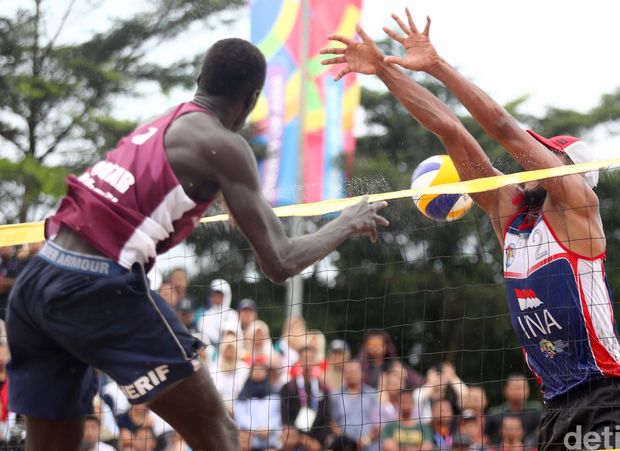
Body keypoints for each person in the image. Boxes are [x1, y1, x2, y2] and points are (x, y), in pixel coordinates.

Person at [7, 37, 389, 451]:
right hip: (96, 288)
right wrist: (347, 222)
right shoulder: (225, 146)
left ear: (199, 80)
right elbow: (280, 261)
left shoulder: (161, 124)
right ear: (252, 99)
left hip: (35, 286)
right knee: (219, 434)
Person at [321, 11, 620, 449]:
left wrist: (437, 65)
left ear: (567, 169)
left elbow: (502, 127)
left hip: (608, 397)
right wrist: (383, 69)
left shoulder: (578, 207)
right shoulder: (510, 215)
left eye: (545, 153)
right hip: (556, 405)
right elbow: (450, 130)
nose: (530, 157)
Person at [280, 346, 332, 451]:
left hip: (316, 442)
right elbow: (286, 417)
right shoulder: (289, 387)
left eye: (310, 358)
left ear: (315, 361)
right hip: (294, 440)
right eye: (304, 358)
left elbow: (326, 419)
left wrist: (316, 441)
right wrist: (300, 438)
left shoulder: (323, 388)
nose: (307, 362)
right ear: (299, 361)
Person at [329, 359, 380, 451]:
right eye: (348, 371)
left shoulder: (373, 395)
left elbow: (379, 424)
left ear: (362, 373)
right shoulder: (335, 395)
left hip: (370, 446)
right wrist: (345, 442)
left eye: (355, 371)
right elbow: (333, 422)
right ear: (343, 374)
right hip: (343, 446)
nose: (351, 374)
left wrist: (365, 441)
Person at [484, 375, 540, 445]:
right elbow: (486, 439)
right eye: (515, 388)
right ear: (506, 390)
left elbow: (542, 432)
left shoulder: (536, 410)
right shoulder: (494, 413)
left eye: (523, 388)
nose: (519, 391)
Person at [198, 278, 238, 348]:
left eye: (219, 294)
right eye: (214, 294)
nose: (216, 297)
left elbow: (233, 336)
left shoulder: (232, 314)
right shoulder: (205, 316)